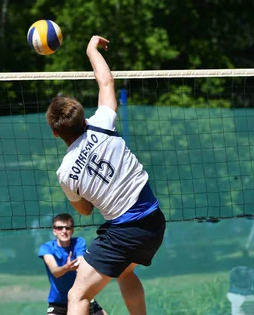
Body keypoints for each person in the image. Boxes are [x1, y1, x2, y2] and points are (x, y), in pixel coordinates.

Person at [45, 36, 166, 315]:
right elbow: (106, 82)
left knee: (77, 295)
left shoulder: (65, 173)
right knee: (124, 272)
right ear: (83, 117)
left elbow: (85, 211)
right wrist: (90, 49)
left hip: (126, 232)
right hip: (155, 222)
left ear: (55, 133)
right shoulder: (102, 124)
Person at [38, 213, 108, 315]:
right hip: (59, 302)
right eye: (59, 228)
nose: (64, 231)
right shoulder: (47, 248)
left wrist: (79, 266)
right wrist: (67, 267)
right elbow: (55, 272)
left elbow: (80, 261)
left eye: (67, 228)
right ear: (54, 231)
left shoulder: (79, 242)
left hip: (81, 297)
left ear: (72, 230)